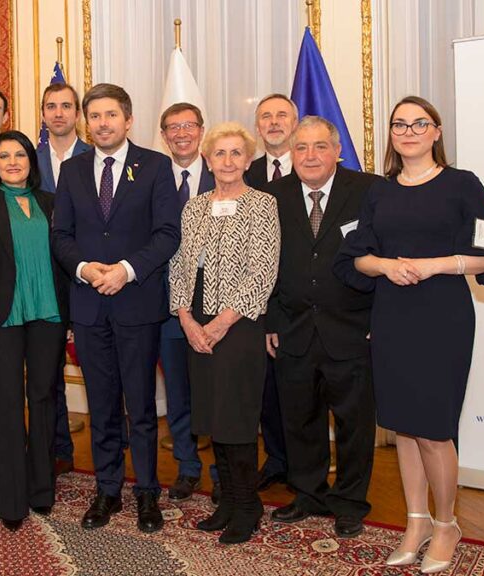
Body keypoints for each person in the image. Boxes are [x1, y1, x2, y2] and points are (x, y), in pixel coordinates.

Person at [334, 96, 484, 573]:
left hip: (443, 317)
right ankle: (415, 522)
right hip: (392, 314)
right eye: (400, 124)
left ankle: (445, 525)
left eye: (420, 123)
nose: (409, 131)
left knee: (435, 430)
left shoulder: (462, 186)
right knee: (404, 428)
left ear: (437, 132)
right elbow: (358, 256)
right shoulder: (379, 192)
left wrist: (439, 264)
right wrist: (387, 266)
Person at [52, 83, 180, 534]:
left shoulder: (156, 166)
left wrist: (126, 270)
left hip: (137, 303)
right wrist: (86, 269)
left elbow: (167, 233)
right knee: (102, 405)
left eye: (111, 115)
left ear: (128, 120)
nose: (102, 123)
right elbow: (60, 236)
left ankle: (147, 493)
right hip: (89, 306)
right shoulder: (72, 170)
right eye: (95, 116)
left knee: (141, 407)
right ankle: (107, 490)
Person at [263, 116, 381, 539]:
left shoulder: (368, 190)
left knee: (354, 423)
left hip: (351, 329)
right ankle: (309, 494)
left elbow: (385, 253)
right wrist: (272, 320)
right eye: (301, 148)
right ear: (290, 154)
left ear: (337, 150)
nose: (310, 156)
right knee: (300, 419)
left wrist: (375, 320)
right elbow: (266, 265)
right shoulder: (271, 196)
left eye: (319, 147)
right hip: (292, 329)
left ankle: (349, 502)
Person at [169, 122, 279, 544]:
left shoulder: (262, 205)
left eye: (236, 153)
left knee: (237, 417)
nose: (228, 161)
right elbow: (179, 266)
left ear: (248, 161)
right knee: (213, 416)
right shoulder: (193, 207)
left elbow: (262, 271)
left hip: (240, 324)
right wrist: (185, 317)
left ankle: (247, 506)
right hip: (197, 322)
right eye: (220, 153)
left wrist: (219, 322)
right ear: (207, 159)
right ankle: (227, 501)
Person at [0, 130, 69, 530]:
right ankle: (11, 501)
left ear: (32, 161)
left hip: (49, 315)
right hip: (3, 320)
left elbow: (64, 259)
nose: (12, 161)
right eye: (4, 156)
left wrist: (70, 319)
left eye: (20, 155)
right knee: (8, 404)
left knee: (43, 399)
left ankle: (42, 490)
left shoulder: (50, 202)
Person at [157, 102, 219, 503]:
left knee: (216, 391)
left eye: (188, 126)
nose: (181, 133)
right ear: (163, 135)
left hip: (218, 306)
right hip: (167, 305)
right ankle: (188, 467)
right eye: (172, 127)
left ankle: (222, 471)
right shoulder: (151, 176)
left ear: (201, 129)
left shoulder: (226, 172)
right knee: (178, 391)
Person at [35, 81, 92, 476]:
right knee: (47, 371)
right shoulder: (26, 157)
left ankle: (112, 453)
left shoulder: (97, 156)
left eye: (66, 106)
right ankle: (58, 450)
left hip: (88, 275)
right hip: (41, 278)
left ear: (78, 114)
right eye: (51, 106)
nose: (58, 113)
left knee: (100, 369)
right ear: (43, 114)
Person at [245, 93, 298, 491]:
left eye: (282, 115)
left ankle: (305, 466)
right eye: (266, 116)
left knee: (302, 389)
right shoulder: (245, 172)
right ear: (258, 127)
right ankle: (277, 459)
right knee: (266, 390)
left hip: (303, 299)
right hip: (257, 301)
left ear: (295, 122)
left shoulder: (318, 166)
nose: (274, 122)